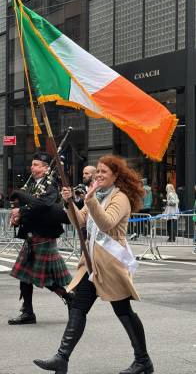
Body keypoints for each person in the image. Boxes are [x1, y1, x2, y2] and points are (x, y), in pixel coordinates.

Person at [33, 154, 154, 374]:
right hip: (91, 264)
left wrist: (90, 199)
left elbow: (106, 223)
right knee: (78, 307)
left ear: (115, 175)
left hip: (111, 263)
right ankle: (62, 357)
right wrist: (69, 202)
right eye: (97, 171)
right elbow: (80, 221)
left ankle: (143, 360)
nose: (98, 175)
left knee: (123, 310)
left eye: (103, 172)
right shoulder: (96, 194)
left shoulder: (120, 198)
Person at [8, 151, 73, 325]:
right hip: (31, 237)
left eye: (36, 165)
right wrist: (17, 218)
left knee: (46, 279)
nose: (32, 167)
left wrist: (20, 209)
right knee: (25, 277)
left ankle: (70, 299)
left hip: (44, 237)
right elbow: (29, 207)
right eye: (32, 164)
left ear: (46, 169)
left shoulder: (51, 186)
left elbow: (42, 206)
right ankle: (28, 312)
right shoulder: (30, 186)